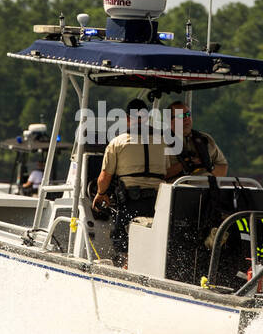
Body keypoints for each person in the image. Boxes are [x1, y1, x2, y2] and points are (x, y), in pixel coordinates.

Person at [94, 99, 167, 262]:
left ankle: (126, 263)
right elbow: (168, 171)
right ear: (147, 118)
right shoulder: (163, 142)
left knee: (121, 237)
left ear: (127, 118)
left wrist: (100, 194)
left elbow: (104, 178)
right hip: (159, 203)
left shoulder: (117, 143)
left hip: (131, 203)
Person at [165, 101, 228, 179]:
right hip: (177, 188)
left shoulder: (205, 139)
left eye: (188, 114)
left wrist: (209, 165)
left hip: (208, 188)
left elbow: (223, 169)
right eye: (181, 116)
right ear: (169, 121)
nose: (186, 118)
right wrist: (185, 164)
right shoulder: (161, 142)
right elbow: (156, 175)